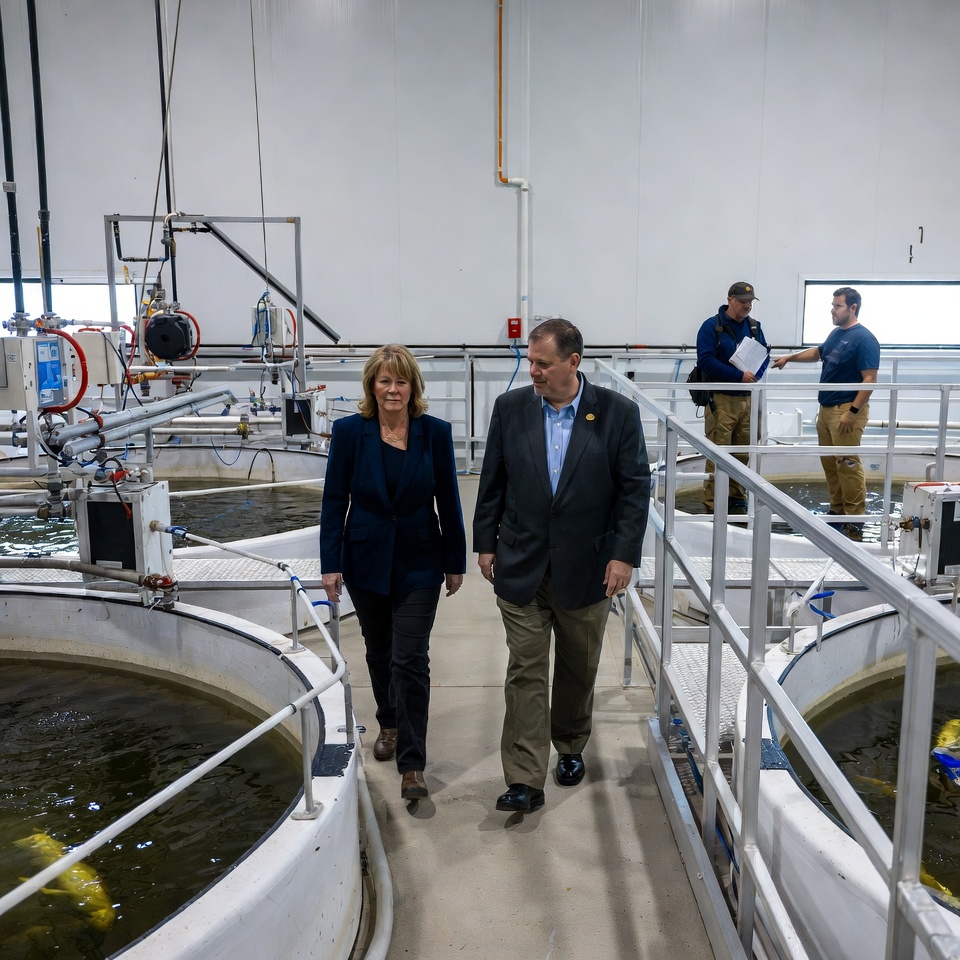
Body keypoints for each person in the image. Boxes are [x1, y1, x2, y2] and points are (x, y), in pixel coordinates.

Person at [473, 318, 650, 813]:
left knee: (577, 667)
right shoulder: (510, 408)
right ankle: (524, 778)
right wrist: (485, 543)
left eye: (542, 363)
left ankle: (570, 744)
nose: (532, 371)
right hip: (522, 562)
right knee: (525, 671)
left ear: (573, 362)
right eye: (530, 361)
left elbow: (634, 490)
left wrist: (623, 555)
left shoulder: (617, 413)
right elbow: (492, 480)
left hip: (590, 566)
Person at [320, 344, 466, 801]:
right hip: (365, 560)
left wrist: (455, 561)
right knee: (379, 651)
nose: (393, 389)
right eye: (384, 380)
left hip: (421, 561)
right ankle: (388, 721)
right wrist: (330, 564)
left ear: (413, 387)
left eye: (401, 381)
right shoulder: (349, 433)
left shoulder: (435, 433)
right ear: (371, 385)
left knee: (410, 659)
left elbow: (449, 499)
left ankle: (413, 764)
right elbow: (334, 501)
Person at [771, 286, 879, 541]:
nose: (833, 310)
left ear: (853, 308)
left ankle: (855, 521)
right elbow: (819, 353)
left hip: (845, 409)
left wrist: (852, 411)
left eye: (838, 306)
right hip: (827, 409)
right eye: (833, 305)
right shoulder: (837, 334)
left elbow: (870, 379)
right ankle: (837, 510)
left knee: (847, 465)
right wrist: (789, 358)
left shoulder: (864, 339)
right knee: (830, 463)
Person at [695, 281, 769, 514]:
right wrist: (739, 376)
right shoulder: (711, 327)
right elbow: (705, 360)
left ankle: (736, 498)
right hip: (721, 399)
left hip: (747, 399)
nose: (748, 306)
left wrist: (755, 374)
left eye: (751, 302)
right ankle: (714, 501)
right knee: (718, 451)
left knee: (742, 451)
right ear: (730, 300)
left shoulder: (754, 327)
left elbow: (764, 354)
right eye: (743, 302)